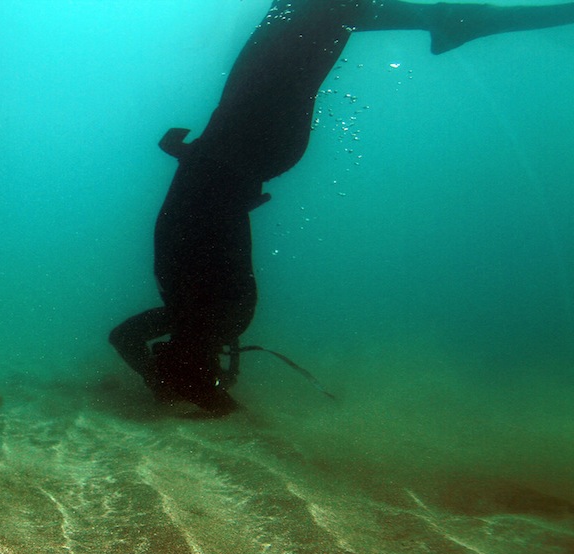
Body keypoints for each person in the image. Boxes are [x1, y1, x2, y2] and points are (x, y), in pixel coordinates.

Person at [110, 0, 574, 416]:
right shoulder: (199, 316)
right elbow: (131, 332)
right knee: (305, 27)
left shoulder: (205, 318)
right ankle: (443, 19)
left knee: (307, 27)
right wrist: (160, 374)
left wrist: (199, 166)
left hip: (233, 163)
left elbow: (195, 244)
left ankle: (443, 19)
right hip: (230, 161)